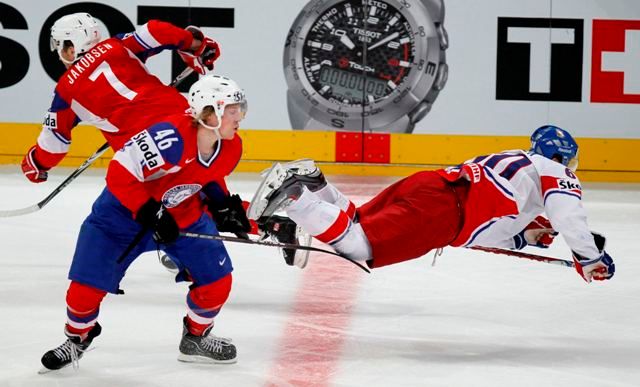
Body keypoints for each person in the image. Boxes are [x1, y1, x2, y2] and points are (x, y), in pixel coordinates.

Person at [39, 75, 252, 373]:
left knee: (217, 281)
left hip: (181, 215)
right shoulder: (169, 137)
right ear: (208, 112)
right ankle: (78, 338)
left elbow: (208, 174)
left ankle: (195, 337)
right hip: (119, 218)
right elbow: (119, 174)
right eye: (231, 109)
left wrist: (221, 203)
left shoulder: (232, 147)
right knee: (81, 295)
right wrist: (149, 212)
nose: (239, 116)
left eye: (239, 108)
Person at [252, 125, 615, 283]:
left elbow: (488, 227)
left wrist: (524, 237)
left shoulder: (517, 162)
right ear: (561, 156)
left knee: (357, 219)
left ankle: (315, 181)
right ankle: (297, 196)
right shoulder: (554, 170)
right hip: (443, 214)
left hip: (433, 185)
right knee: (357, 245)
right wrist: (591, 260)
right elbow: (570, 218)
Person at [21, 12, 221, 183]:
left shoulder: (65, 91)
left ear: (72, 48)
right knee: (205, 180)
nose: (59, 54)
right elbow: (155, 31)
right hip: (189, 122)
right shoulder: (118, 45)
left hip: (148, 150)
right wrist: (194, 44)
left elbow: (54, 146)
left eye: (61, 47)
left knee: (119, 207)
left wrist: (35, 163)